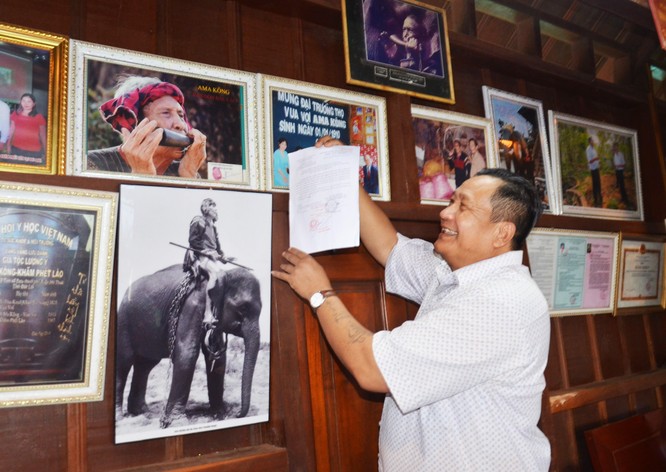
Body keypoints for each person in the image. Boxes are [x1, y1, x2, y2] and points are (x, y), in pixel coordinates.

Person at [273, 136, 550, 471]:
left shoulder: (500, 302)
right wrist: (344, 175)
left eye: (463, 207)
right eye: (451, 201)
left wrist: (320, 293)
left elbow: (372, 369)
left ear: (502, 234)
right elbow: (390, 248)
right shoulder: (453, 273)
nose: (445, 213)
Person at [87, 76, 207, 177]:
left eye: (181, 115)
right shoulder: (92, 163)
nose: (181, 124)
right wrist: (142, 175)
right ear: (135, 124)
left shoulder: (185, 169)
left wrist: (189, 174)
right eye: (166, 113)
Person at [183, 198, 231, 326]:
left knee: (224, 277)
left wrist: (224, 257)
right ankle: (207, 314)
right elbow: (193, 241)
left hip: (210, 257)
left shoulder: (214, 228)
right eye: (213, 206)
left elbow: (217, 249)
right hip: (198, 256)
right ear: (206, 208)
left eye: (216, 207)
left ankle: (219, 311)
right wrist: (208, 252)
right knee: (215, 274)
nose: (216, 209)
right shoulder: (198, 221)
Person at [6, 93, 46, 160]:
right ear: (20, 102)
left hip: (34, 152)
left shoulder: (39, 117)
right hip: (16, 149)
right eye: (23, 101)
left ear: (34, 103)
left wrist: (46, 152)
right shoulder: (15, 114)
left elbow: (43, 136)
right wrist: (8, 146)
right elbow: (11, 131)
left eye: (29, 101)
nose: (26, 103)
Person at [586, 136, 602, 207]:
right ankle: (595, 200)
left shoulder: (594, 149)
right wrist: (596, 159)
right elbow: (590, 161)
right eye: (592, 141)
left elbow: (596, 159)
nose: (593, 142)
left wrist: (599, 162)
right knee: (595, 185)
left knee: (598, 183)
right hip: (593, 169)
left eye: (593, 141)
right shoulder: (588, 150)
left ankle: (600, 198)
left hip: (597, 168)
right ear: (589, 142)